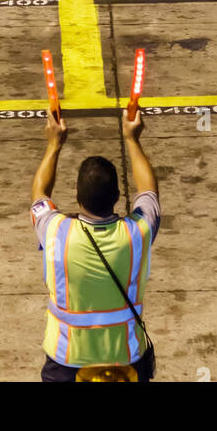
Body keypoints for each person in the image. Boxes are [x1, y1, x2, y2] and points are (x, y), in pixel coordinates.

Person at [30, 108, 160, 382]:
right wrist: (132, 139)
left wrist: (54, 144)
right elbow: (148, 192)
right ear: (116, 196)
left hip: (66, 360)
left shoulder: (55, 232)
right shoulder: (137, 233)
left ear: (77, 197)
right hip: (125, 357)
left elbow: (39, 195)